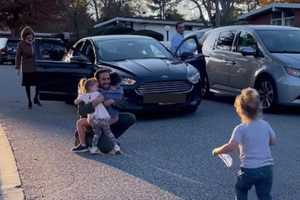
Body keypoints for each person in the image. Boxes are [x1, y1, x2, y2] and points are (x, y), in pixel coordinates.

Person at [212, 88, 277, 200]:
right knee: (264, 195)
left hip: (249, 170)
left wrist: (217, 151)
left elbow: (231, 146)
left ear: (240, 110)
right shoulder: (265, 125)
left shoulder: (241, 129)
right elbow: (273, 141)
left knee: (241, 188)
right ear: (258, 109)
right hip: (267, 169)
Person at [74, 68, 135, 153]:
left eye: (108, 78)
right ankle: (87, 141)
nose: (107, 81)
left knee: (130, 117)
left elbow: (125, 103)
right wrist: (96, 102)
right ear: (97, 81)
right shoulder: (90, 91)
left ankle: (110, 138)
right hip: (92, 123)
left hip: (106, 119)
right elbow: (82, 111)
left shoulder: (115, 89)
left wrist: (113, 102)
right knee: (106, 148)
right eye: (103, 79)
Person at [73, 78, 121, 155]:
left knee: (98, 135)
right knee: (106, 133)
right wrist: (94, 102)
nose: (98, 88)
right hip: (100, 118)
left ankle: (91, 147)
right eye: (96, 86)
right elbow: (81, 110)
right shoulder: (97, 94)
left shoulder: (88, 95)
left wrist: (81, 98)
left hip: (94, 119)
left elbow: (76, 101)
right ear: (91, 87)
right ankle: (115, 146)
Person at [15, 26, 41, 109]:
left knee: (39, 83)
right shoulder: (21, 44)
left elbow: (39, 53)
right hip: (26, 67)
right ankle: (29, 101)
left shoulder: (35, 42)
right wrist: (18, 68)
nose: (29, 36)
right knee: (27, 85)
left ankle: (36, 98)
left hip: (35, 66)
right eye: (27, 35)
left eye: (30, 34)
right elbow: (18, 56)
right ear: (24, 35)